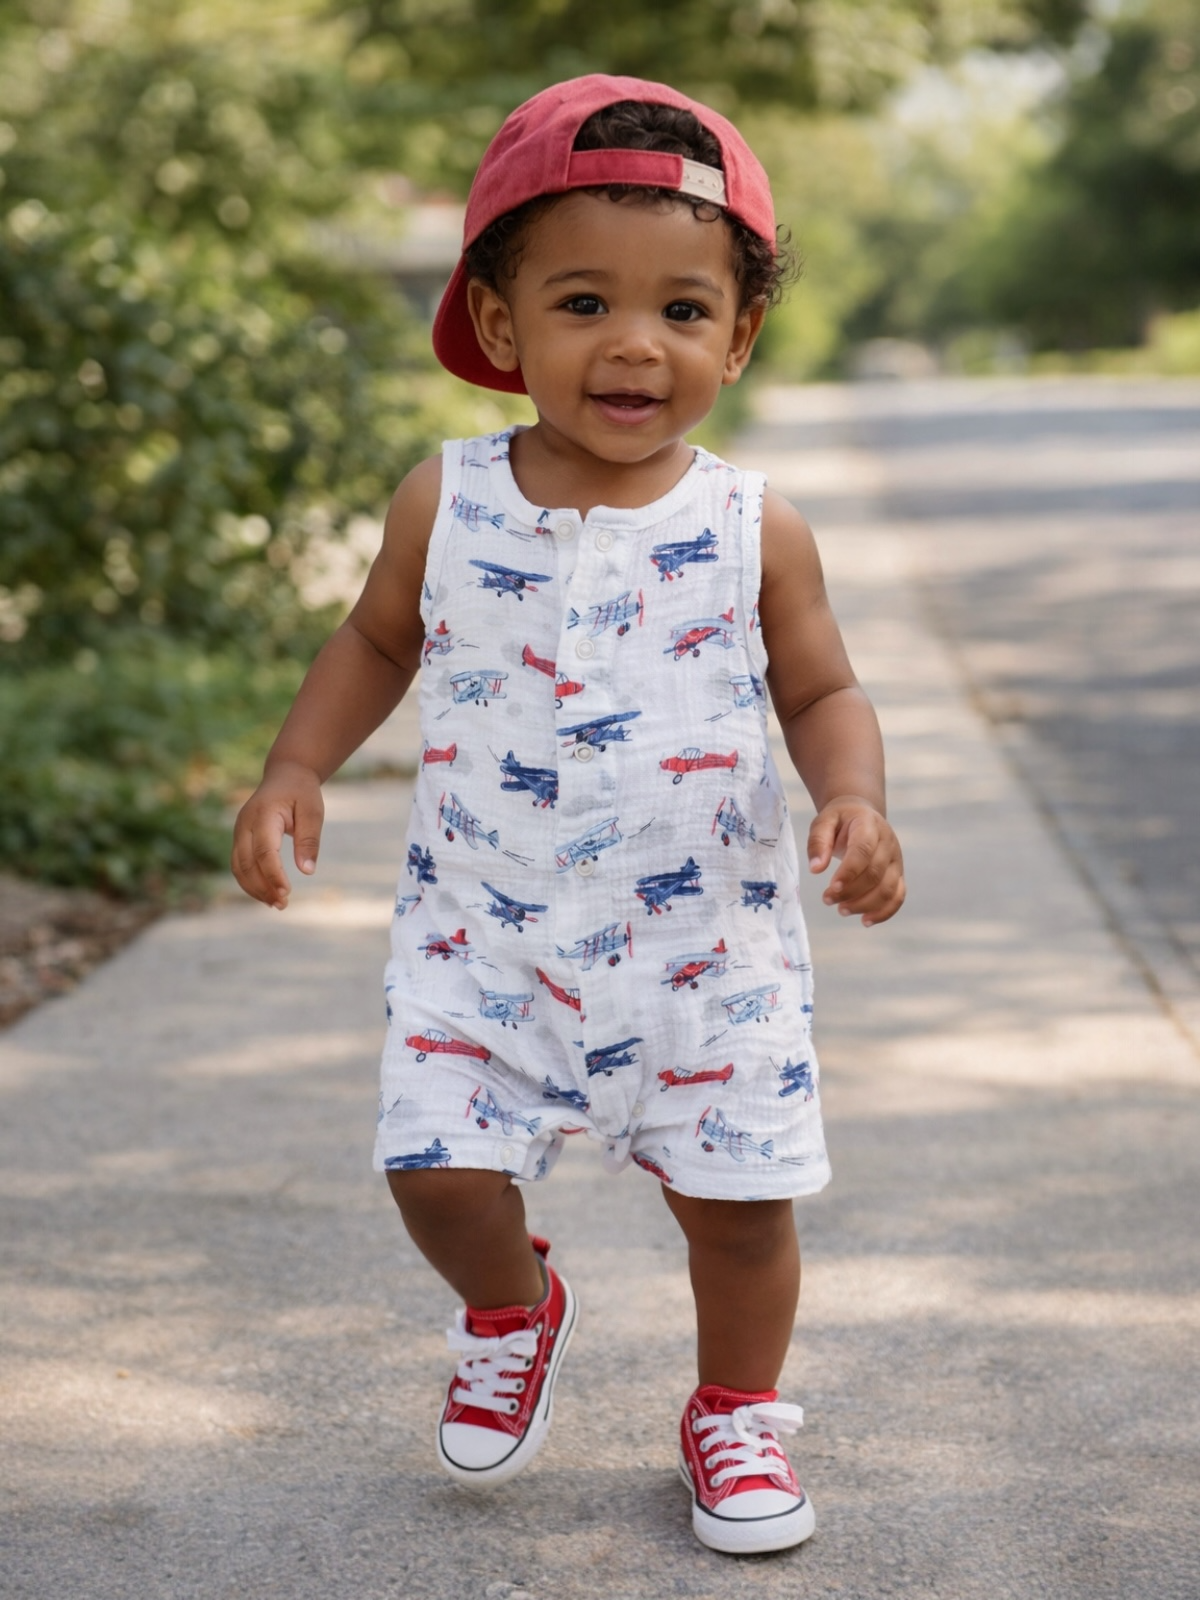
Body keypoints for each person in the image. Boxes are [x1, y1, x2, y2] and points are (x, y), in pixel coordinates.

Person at [231, 73, 905, 1556]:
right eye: (584, 299)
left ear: (738, 334)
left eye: (681, 310)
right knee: (434, 1169)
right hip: (488, 940)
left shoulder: (752, 524)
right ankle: (512, 1306)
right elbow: (374, 643)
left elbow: (821, 690)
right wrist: (296, 766)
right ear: (498, 324)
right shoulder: (445, 500)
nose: (633, 344)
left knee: (740, 1215)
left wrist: (851, 795)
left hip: (706, 957)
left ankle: (734, 1409)